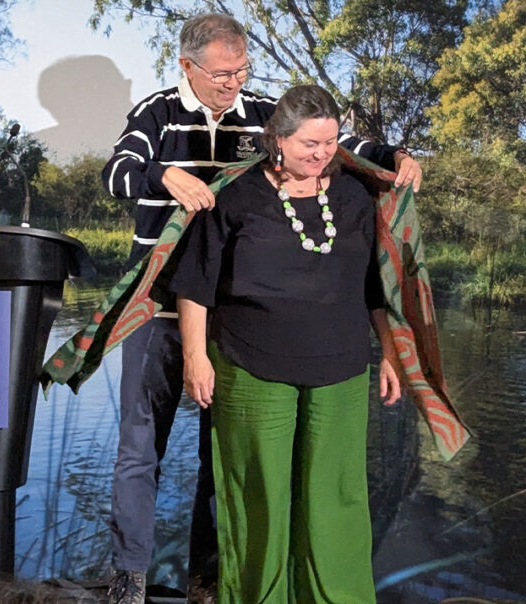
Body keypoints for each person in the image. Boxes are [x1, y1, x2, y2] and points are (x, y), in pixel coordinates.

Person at [100, 14, 421, 604]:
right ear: (188, 66)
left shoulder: (262, 114)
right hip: (157, 307)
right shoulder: (157, 114)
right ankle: (129, 576)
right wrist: (165, 175)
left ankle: (208, 577)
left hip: (225, 316)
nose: (233, 83)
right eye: (222, 74)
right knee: (141, 446)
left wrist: (393, 155)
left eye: (241, 71)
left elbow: (336, 142)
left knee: (221, 455)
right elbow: (116, 172)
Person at [170, 85, 403, 603]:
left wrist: (390, 352)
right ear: (278, 139)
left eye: (330, 143)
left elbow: (374, 287)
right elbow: (195, 284)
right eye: (309, 144)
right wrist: (195, 357)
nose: (321, 154)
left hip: (342, 367)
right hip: (251, 366)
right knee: (260, 495)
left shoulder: (354, 197)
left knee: (336, 496)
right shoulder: (235, 195)